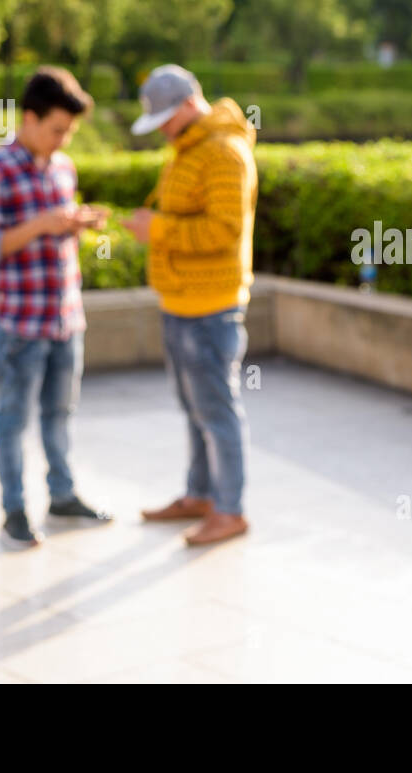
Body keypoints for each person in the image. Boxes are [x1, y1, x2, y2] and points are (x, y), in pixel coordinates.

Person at [0, 67, 113, 550]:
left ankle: (63, 494)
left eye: (68, 131)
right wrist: (41, 225)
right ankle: (14, 508)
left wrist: (74, 224)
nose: (62, 138)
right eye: (56, 129)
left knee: (60, 413)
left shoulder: (63, 167)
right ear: (29, 118)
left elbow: (53, 229)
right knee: (13, 418)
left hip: (65, 317)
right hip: (21, 322)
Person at [122, 65, 259, 547]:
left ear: (188, 105)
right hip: (182, 300)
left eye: (165, 118)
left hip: (210, 306)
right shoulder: (191, 147)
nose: (161, 129)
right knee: (195, 407)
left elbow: (224, 230)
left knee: (216, 410)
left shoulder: (223, 151)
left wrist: (156, 230)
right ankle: (201, 495)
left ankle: (229, 509)